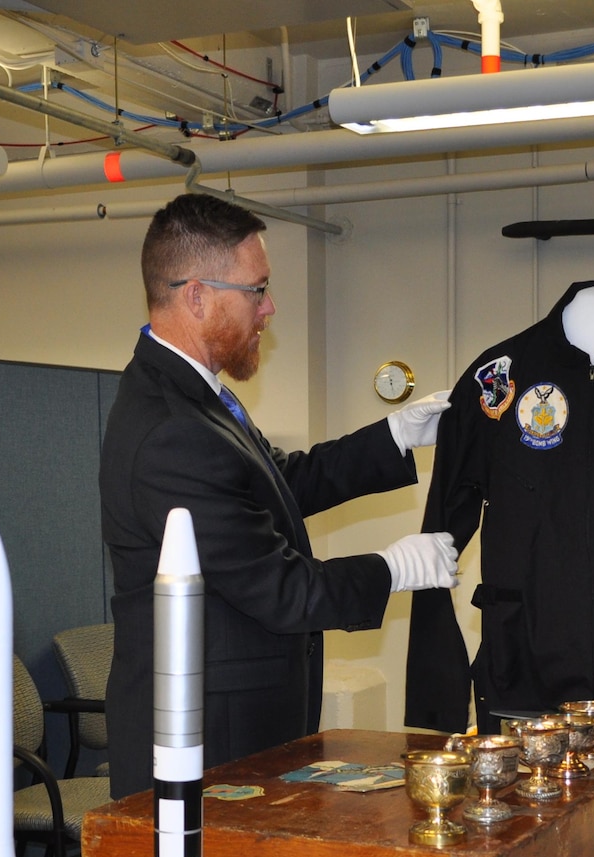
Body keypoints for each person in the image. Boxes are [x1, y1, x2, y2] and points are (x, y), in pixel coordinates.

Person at [100, 194, 456, 798]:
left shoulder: (196, 401)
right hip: (210, 749)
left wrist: (394, 437)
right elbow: (282, 592)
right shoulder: (172, 431)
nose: (270, 308)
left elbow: (277, 483)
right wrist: (388, 570)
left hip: (233, 734)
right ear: (197, 296)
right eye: (257, 290)